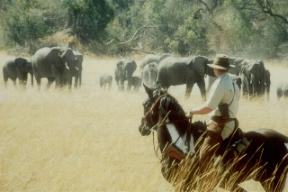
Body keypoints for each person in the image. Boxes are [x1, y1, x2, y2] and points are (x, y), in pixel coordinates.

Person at [189, 54, 240, 170]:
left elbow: (209, 107)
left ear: (216, 68)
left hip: (220, 125)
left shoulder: (220, 83)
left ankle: (210, 180)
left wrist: (192, 111)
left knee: (203, 156)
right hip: (231, 122)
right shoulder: (232, 81)